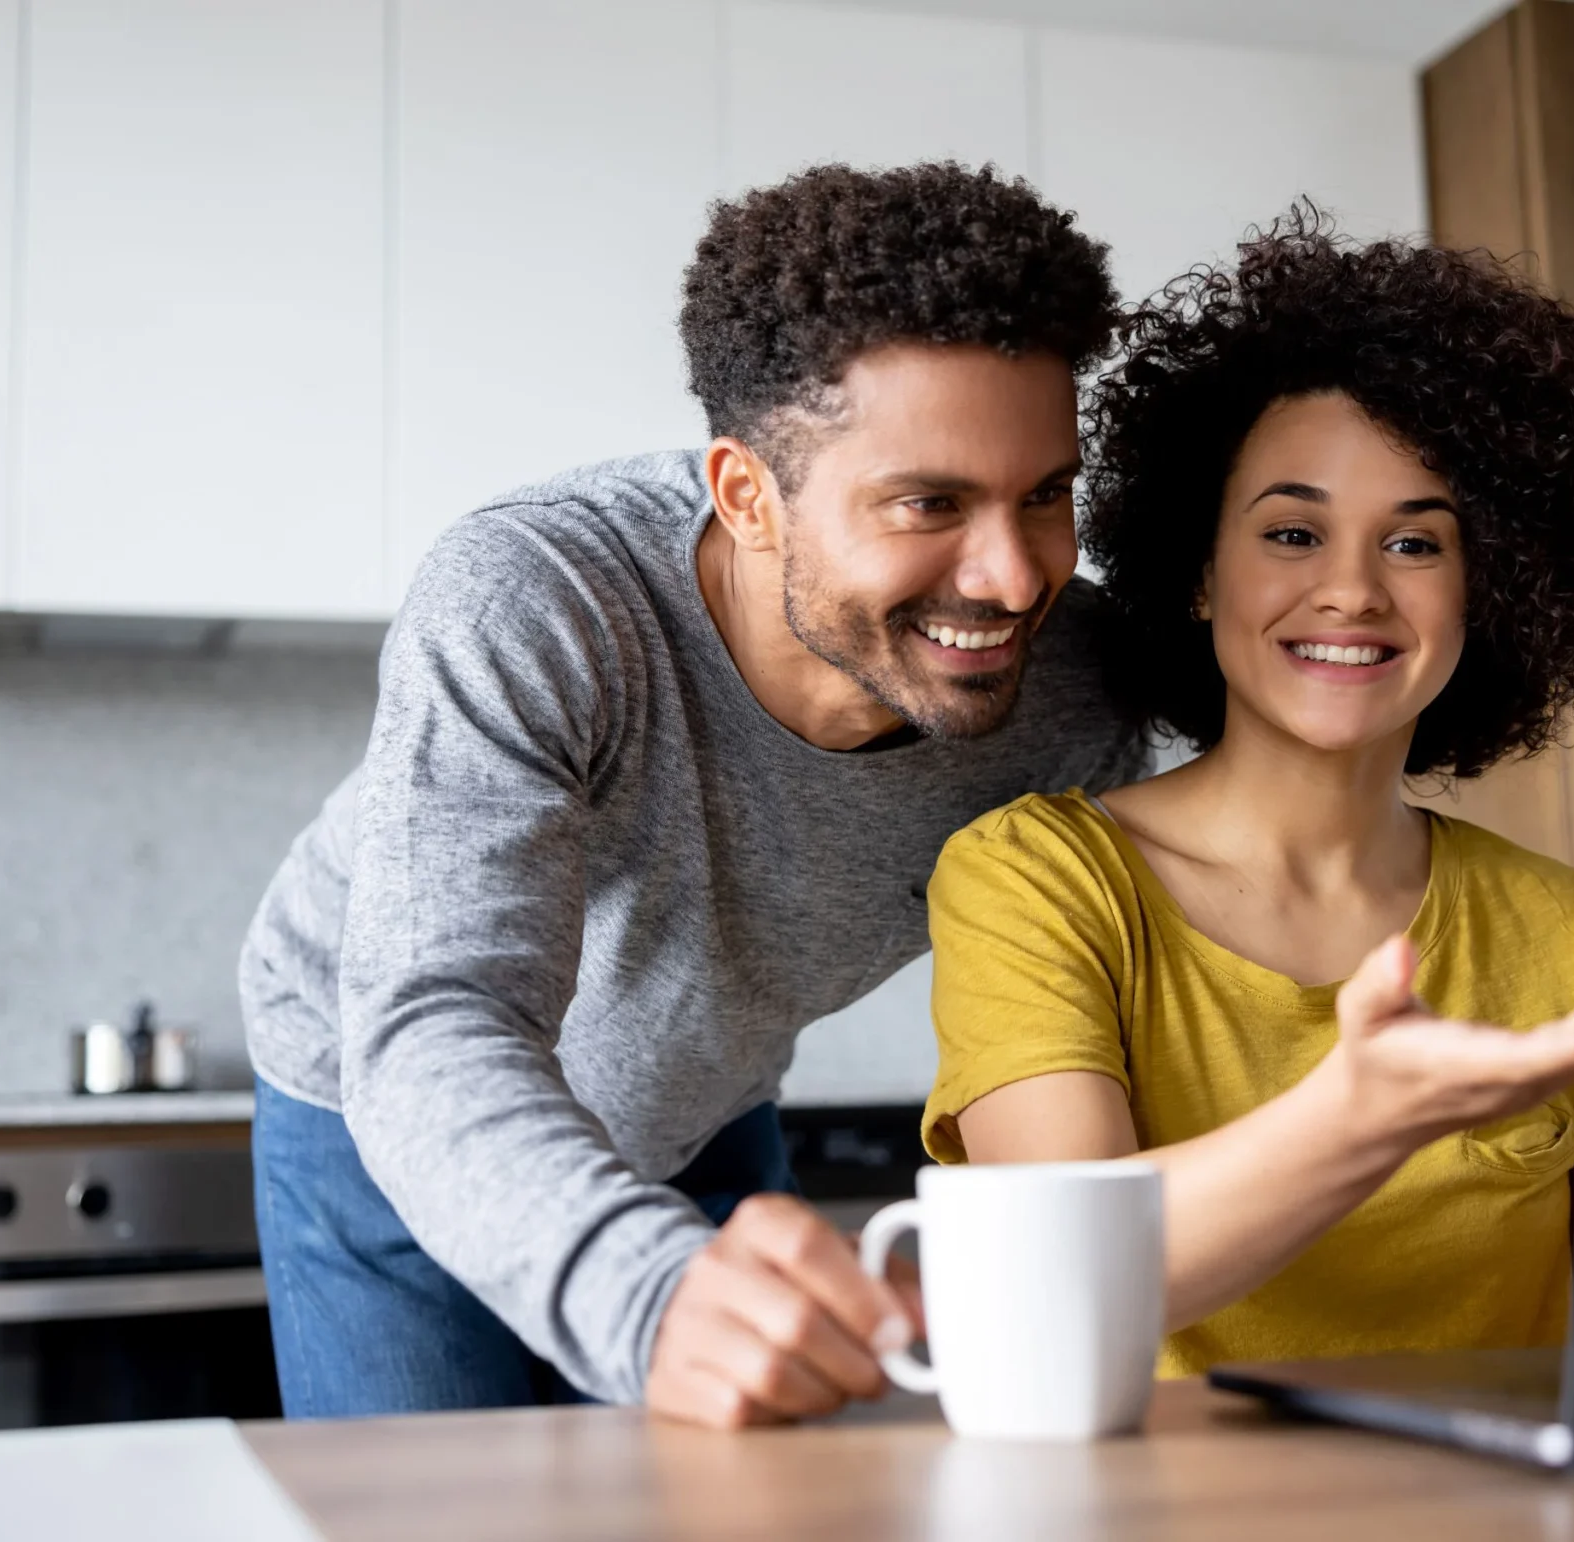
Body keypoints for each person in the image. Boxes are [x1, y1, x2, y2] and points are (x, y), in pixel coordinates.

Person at [241, 162, 1147, 1427]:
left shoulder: (1079, 686)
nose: (1009, 579)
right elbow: (436, 1013)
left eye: (1045, 495)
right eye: (927, 503)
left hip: (704, 1097)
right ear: (744, 494)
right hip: (388, 1110)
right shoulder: (540, 600)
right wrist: (646, 1296)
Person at [921, 211, 1574, 1376]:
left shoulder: (1562, 924)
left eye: (1416, 545)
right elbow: (1057, 1280)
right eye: (1291, 532)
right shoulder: (1034, 881)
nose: (1351, 591)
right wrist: (1364, 1112)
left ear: (1495, 590)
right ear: (1197, 574)